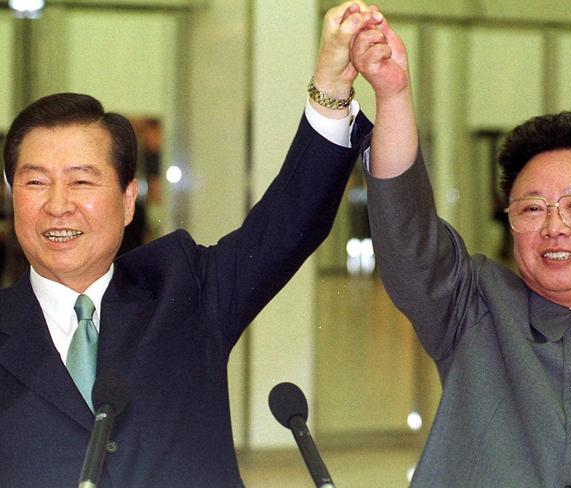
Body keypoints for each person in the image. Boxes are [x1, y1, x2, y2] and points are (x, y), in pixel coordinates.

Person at [0, 3, 382, 486]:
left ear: (127, 201)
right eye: (35, 183)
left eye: (81, 182)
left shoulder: (183, 289)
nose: (58, 206)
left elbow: (288, 225)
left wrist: (330, 89)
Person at [348, 11, 571, 488]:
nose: (554, 226)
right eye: (531, 209)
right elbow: (406, 231)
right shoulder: (474, 307)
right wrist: (392, 94)